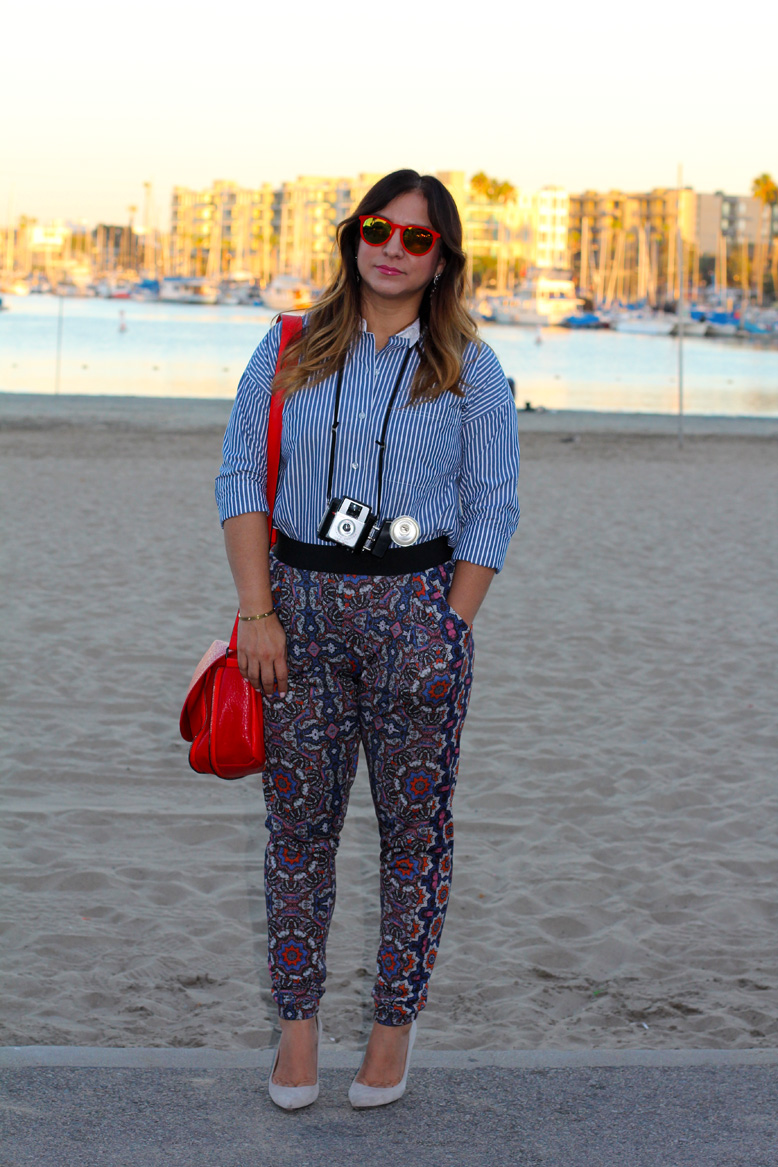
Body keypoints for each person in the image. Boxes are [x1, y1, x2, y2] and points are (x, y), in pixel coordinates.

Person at [215, 169, 520, 1110]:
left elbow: (492, 504)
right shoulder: (288, 347)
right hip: (296, 614)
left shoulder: (473, 365)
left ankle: (392, 1032)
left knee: (414, 837)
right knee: (297, 834)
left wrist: (450, 627)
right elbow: (240, 481)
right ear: (354, 237)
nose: (392, 248)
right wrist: (258, 611)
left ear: (442, 260)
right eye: (377, 228)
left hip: (417, 616)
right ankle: (297, 1034)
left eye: (416, 239)